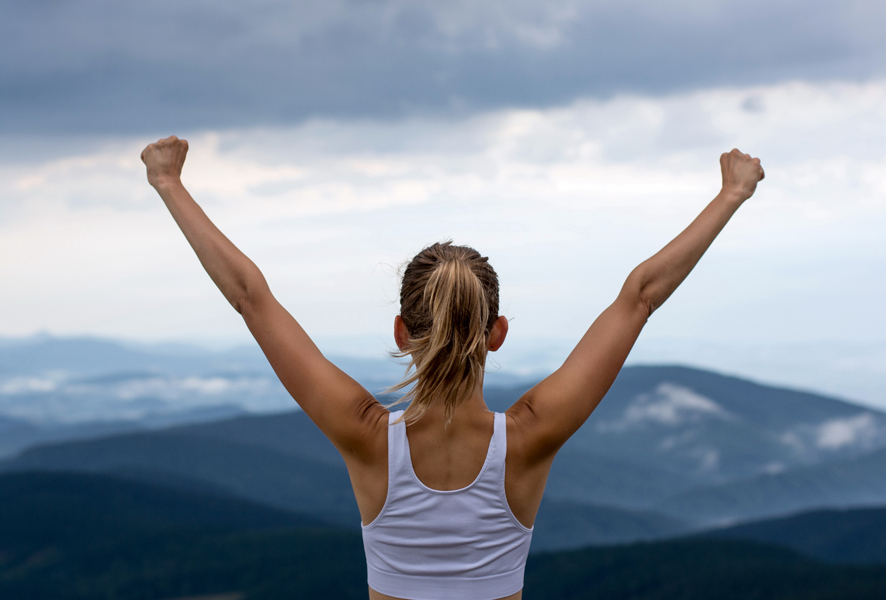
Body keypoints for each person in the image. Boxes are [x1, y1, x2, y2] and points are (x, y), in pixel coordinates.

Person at [141, 136, 764, 600]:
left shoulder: (364, 437)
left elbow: (251, 297)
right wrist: (731, 195)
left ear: (400, 334)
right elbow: (641, 296)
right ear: (497, 334)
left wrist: (169, 183)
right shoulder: (529, 437)